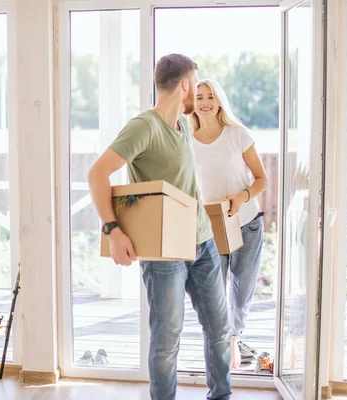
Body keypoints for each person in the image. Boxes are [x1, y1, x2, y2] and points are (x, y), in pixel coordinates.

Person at [88, 54, 231, 400]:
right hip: (166, 254)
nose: (197, 92)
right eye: (195, 84)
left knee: (220, 329)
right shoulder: (144, 127)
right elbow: (97, 174)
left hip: (203, 244)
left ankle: (221, 396)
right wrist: (113, 229)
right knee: (167, 339)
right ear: (185, 84)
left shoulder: (183, 126)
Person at [189, 79, 269, 369]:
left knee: (241, 289)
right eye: (199, 97)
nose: (205, 101)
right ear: (193, 103)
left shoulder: (237, 134)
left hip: (246, 222)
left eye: (210, 96)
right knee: (213, 291)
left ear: (219, 101)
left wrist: (240, 197)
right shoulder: (187, 138)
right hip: (211, 225)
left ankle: (233, 340)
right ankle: (220, 342)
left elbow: (262, 179)